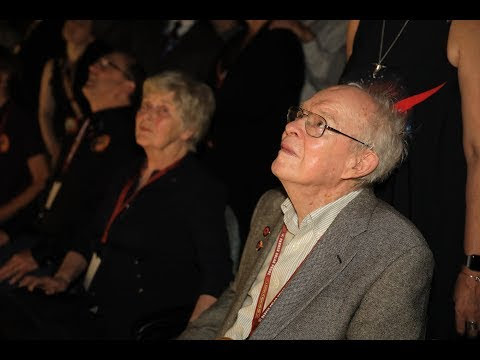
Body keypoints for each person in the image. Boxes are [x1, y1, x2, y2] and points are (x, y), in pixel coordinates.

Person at [178, 82, 434, 340]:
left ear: (359, 163)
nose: (290, 127)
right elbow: (236, 298)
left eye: (319, 123)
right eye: (300, 115)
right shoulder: (270, 206)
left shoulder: (397, 254)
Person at [0, 71, 233, 340]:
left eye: (162, 111)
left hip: (140, 322)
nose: (146, 116)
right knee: (13, 307)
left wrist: (193, 335)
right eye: (145, 106)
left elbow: (217, 275)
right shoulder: (128, 172)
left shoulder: (199, 187)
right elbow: (90, 235)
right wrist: (62, 278)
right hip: (92, 304)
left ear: (189, 129)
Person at [340, 20, 480, 340]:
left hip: (432, 216)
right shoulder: (359, 24)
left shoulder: (465, 28)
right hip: (361, 217)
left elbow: (477, 153)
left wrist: (473, 269)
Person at [0, 51, 144, 287]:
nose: (92, 68)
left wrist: (43, 254)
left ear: (128, 86)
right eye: (97, 62)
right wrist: (11, 231)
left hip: (64, 257)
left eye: (106, 65)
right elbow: (54, 194)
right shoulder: (89, 125)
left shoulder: (124, 137)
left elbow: (95, 210)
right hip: (38, 239)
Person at [38, 20, 110, 168]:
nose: (72, 26)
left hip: (88, 143)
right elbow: (45, 112)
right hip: (62, 140)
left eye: (81, 24)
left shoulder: (99, 66)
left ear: (92, 35)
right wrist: (54, 149)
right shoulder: (54, 65)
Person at [0, 46, 49, 247]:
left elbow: (41, 177)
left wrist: (4, 214)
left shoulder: (20, 120)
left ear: (5, 76)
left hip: (11, 227)